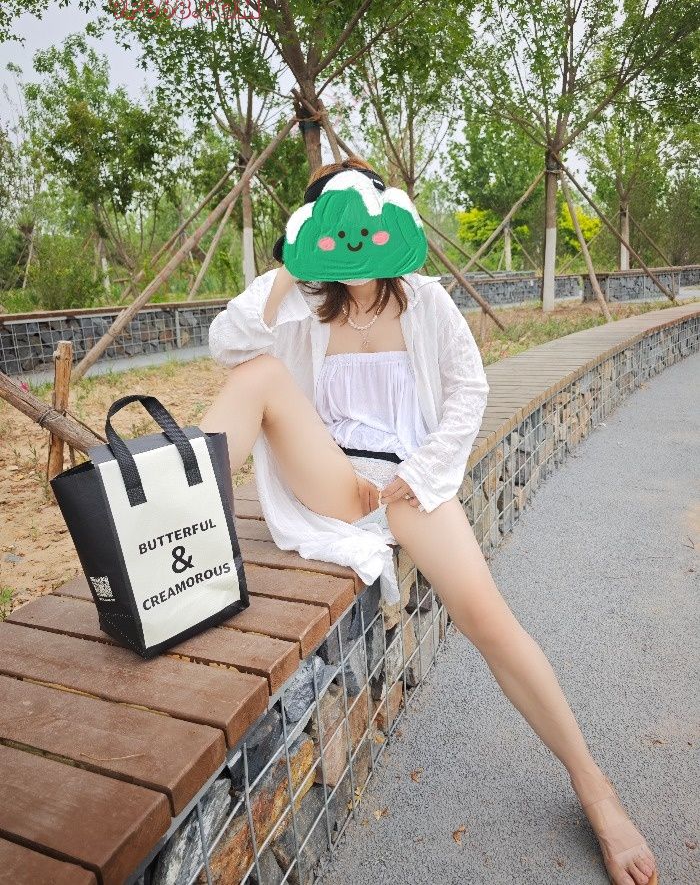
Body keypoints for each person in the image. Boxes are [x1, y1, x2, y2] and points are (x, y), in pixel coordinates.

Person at [201, 156, 658, 885]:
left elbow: (469, 391)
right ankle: (179, 526)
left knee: (489, 620)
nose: (349, 244)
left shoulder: (425, 301)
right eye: (330, 228)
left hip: (409, 480)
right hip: (334, 477)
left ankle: (594, 787)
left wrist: (419, 474)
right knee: (254, 372)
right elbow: (225, 344)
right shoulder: (299, 301)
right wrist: (289, 268)